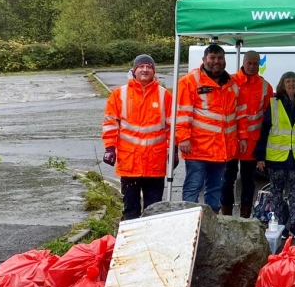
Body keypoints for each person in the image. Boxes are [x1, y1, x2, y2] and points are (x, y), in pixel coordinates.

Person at [102, 54, 175, 220]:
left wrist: (174, 149)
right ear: (134, 71)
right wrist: (109, 147)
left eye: (149, 67)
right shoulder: (119, 94)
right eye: (141, 66)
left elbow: (172, 126)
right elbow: (110, 123)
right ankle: (130, 242)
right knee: (130, 209)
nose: (145, 69)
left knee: (154, 210)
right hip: (130, 163)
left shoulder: (164, 95)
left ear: (154, 71)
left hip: (155, 163)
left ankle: (152, 243)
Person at [176, 44, 242, 213]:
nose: (216, 62)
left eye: (220, 58)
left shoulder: (232, 84)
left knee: (215, 189)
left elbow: (237, 115)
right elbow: (182, 113)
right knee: (193, 188)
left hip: (221, 149)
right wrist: (183, 138)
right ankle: (188, 221)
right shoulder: (189, 81)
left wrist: (241, 138)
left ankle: (212, 223)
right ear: (204, 60)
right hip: (197, 148)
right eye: (212, 58)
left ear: (224, 60)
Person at [254, 72, 295, 239]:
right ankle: (281, 223)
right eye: (288, 81)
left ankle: (294, 225)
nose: (291, 84)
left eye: (294, 81)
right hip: (276, 157)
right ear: (282, 84)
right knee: (277, 192)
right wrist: (260, 157)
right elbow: (264, 130)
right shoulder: (273, 104)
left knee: (294, 192)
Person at [224, 51, 274, 217]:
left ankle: (245, 217)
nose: (252, 67)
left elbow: (268, 117)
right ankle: (227, 217)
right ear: (243, 62)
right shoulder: (230, 81)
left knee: (248, 182)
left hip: (252, 143)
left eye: (255, 63)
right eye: (249, 63)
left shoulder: (266, 86)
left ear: (259, 64)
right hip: (231, 140)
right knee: (227, 180)